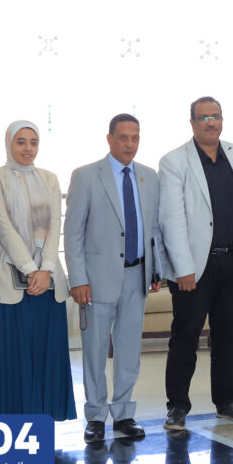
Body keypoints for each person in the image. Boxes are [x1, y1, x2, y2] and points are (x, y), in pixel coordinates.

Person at [158, 97, 233, 429]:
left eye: (215, 116)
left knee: (228, 336)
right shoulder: (174, 161)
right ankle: (177, 405)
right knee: (185, 336)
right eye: (203, 117)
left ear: (222, 120)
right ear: (192, 123)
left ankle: (227, 401)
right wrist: (183, 267)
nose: (210, 122)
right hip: (194, 268)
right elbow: (171, 218)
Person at [64, 114, 162, 442]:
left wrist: (156, 269)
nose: (129, 144)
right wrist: (78, 279)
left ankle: (123, 413)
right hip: (96, 280)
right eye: (123, 137)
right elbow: (73, 234)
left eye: (135, 138)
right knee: (94, 350)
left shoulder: (148, 176)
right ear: (109, 139)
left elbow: (153, 229)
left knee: (129, 349)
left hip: (137, 275)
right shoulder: (86, 176)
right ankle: (95, 416)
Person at [0, 121, 77, 420]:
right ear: (8, 143)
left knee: (45, 354)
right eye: (20, 141)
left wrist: (45, 269)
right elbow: (3, 225)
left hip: (48, 281)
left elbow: (55, 225)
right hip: (9, 277)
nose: (27, 148)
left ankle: (43, 419)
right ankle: (11, 422)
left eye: (33, 142)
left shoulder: (49, 178)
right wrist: (30, 269)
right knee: (12, 355)